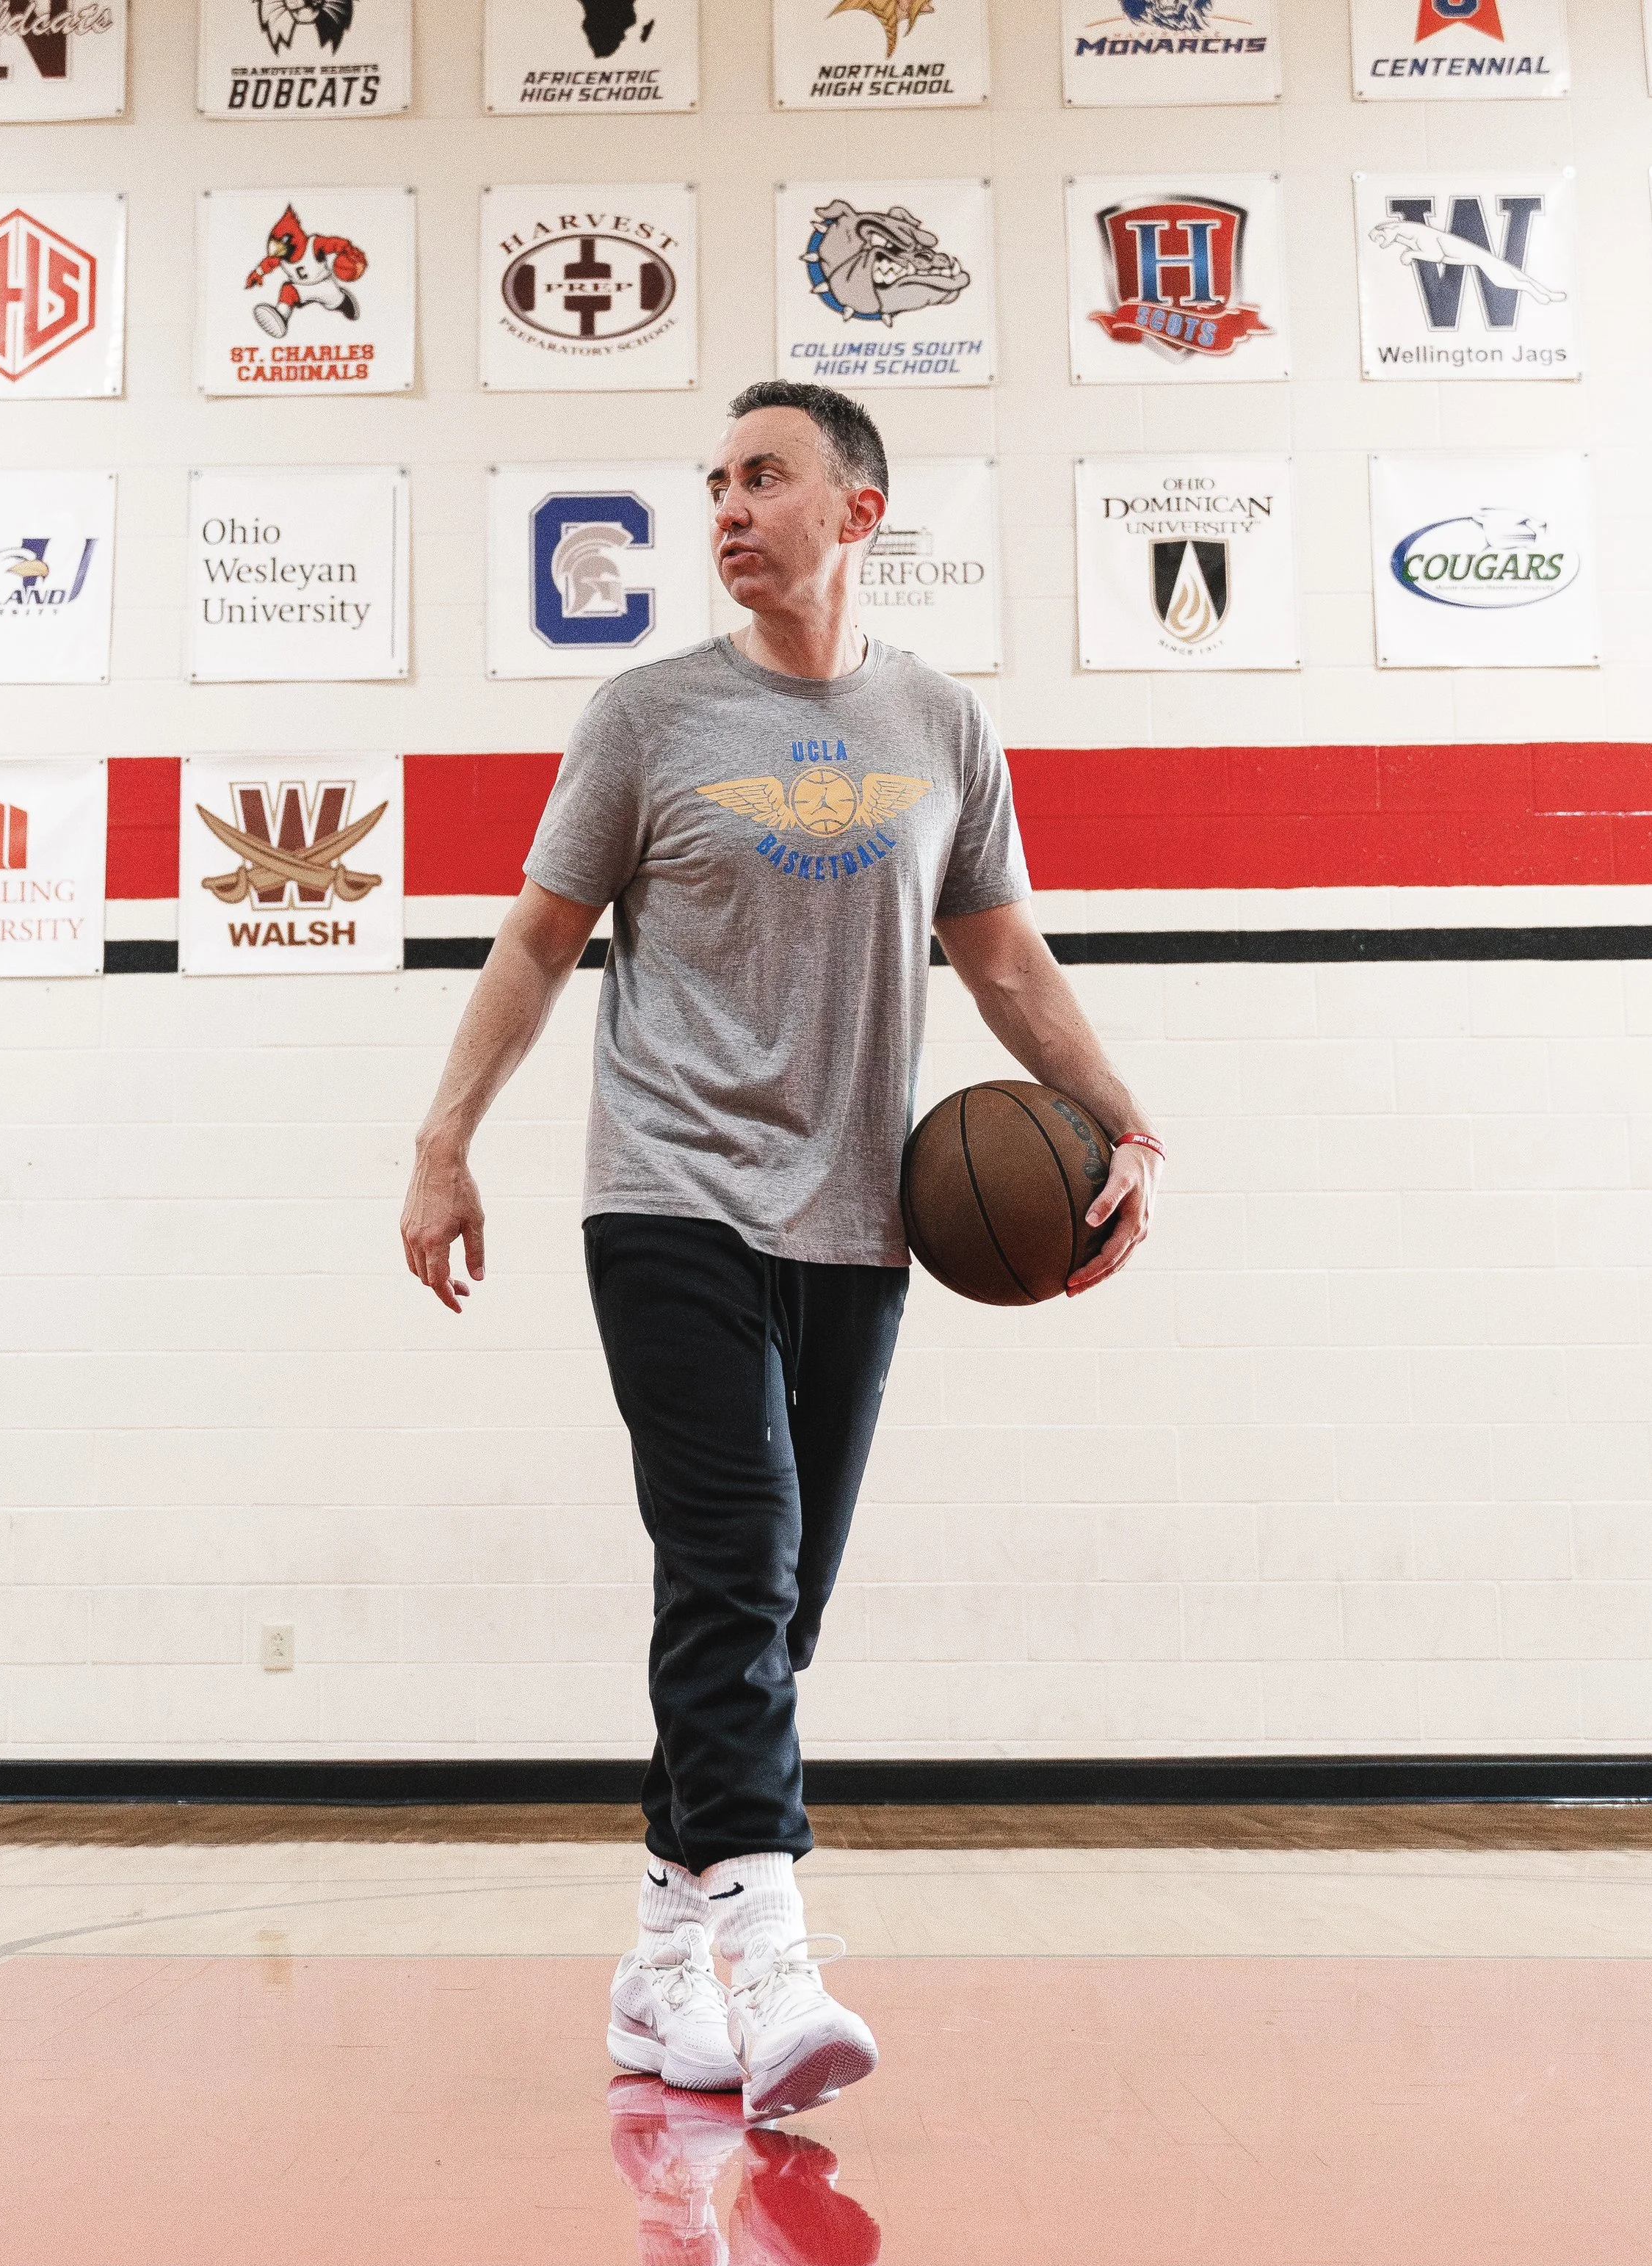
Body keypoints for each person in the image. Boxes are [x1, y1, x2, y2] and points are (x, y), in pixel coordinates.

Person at [399, 380, 1163, 2120]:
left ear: (858, 511)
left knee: (777, 1600)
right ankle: (769, 1949)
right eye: (715, 481)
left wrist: (1125, 1118)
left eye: (764, 477)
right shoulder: (646, 716)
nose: (726, 506)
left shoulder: (939, 725)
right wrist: (443, 1143)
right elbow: (532, 946)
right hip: (665, 1192)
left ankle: (659, 1947)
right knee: (733, 1547)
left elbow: (1006, 962)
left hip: (857, 1219)